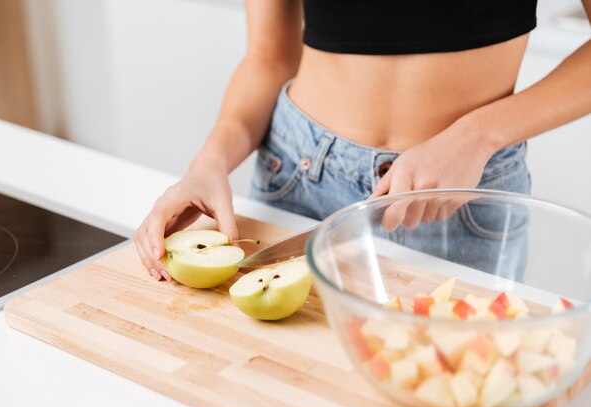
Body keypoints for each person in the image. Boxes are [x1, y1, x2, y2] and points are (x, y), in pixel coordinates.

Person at [134, 0, 591, 281]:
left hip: (455, 197)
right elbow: (269, 57)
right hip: (298, 177)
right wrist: (209, 163)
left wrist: (479, 134)